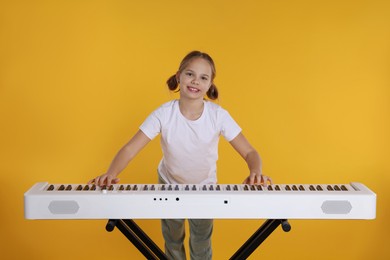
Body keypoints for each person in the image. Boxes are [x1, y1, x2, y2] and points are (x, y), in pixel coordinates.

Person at [89, 50, 272, 260]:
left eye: (203, 77)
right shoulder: (164, 113)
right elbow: (131, 148)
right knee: (173, 240)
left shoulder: (218, 115)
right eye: (190, 74)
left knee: (201, 242)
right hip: (169, 182)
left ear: (210, 84)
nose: (195, 81)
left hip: (205, 186)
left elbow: (249, 151)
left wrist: (256, 171)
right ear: (179, 76)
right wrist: (111, 173)